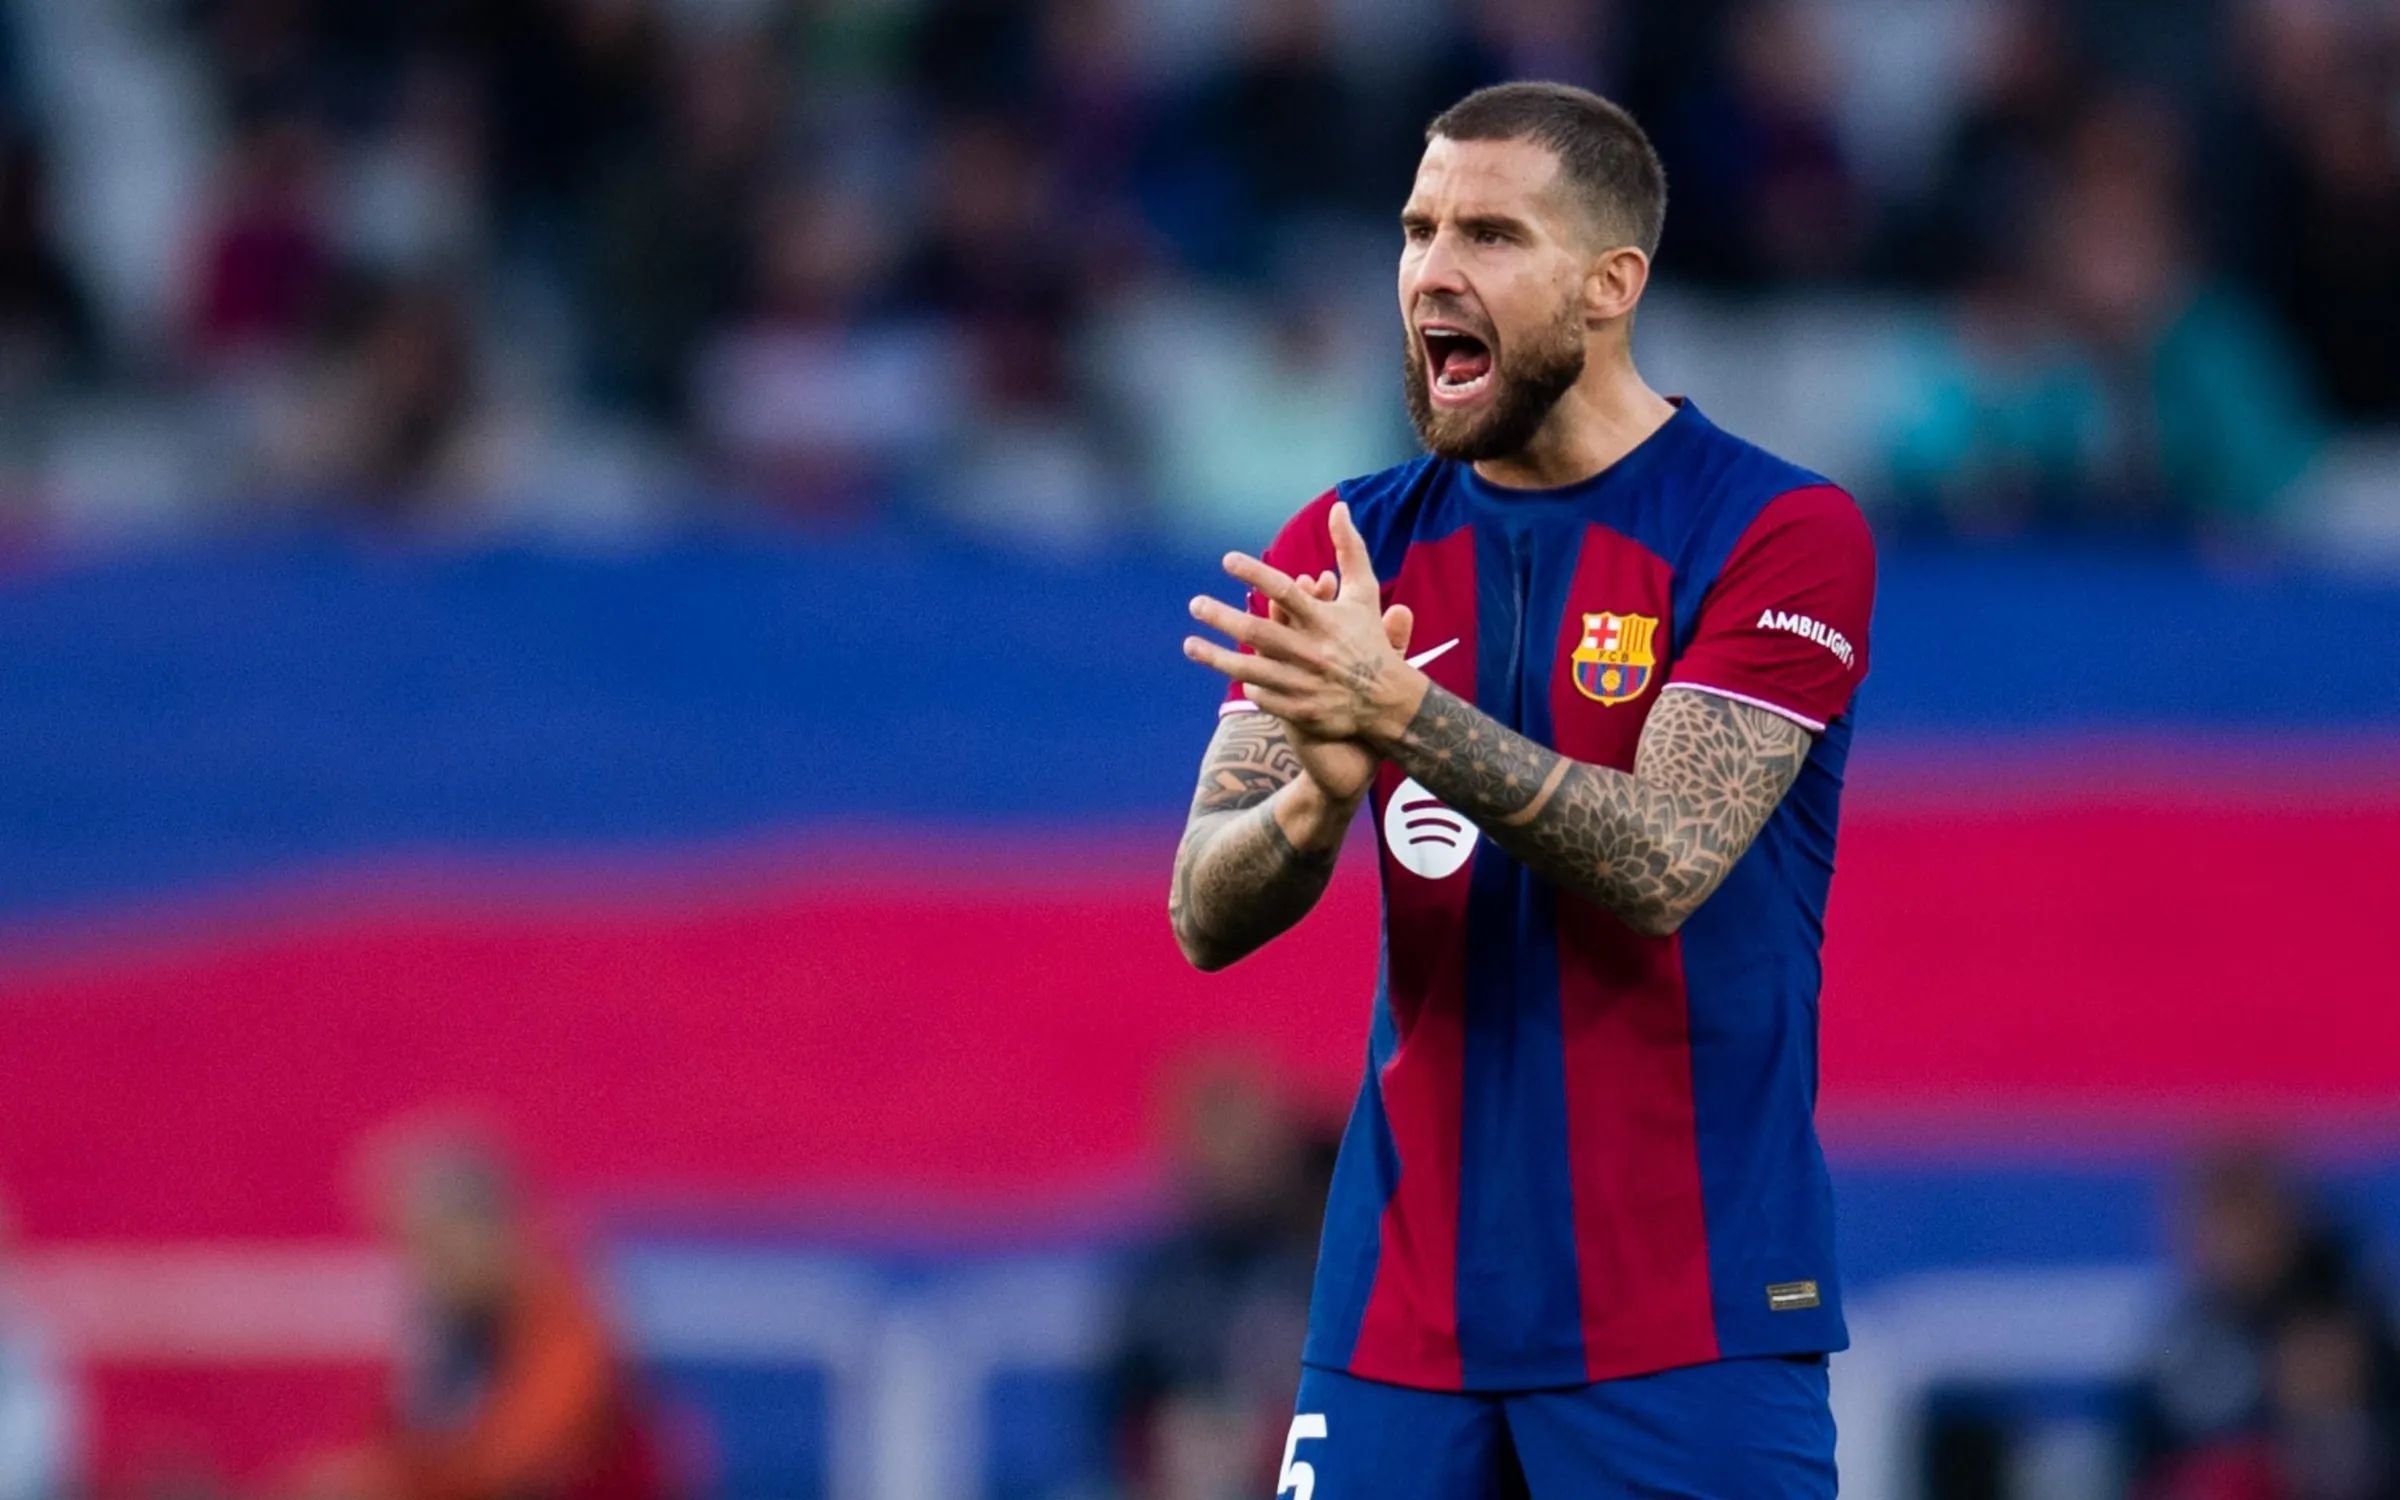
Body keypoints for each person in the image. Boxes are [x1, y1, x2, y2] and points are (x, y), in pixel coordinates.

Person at [1169, 82, 1874, 1498]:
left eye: (1491, 234)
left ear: (1613, 282)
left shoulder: (1775, 530)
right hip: (1393, 1321)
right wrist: (1311, 807)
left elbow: (1669, 856)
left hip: (1688, 1317)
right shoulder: (1350, 542)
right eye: (1420, 229)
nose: (1434, 269)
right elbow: (1201, 906)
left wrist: (1406, 716)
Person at [300, 1132, 670, 1500]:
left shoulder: (559, 1325)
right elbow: (398, 1441)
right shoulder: (449, 1324)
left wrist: (387, 1484)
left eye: (435, 1243)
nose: (427, 1266)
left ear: (492, 1229)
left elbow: (514, 1458)